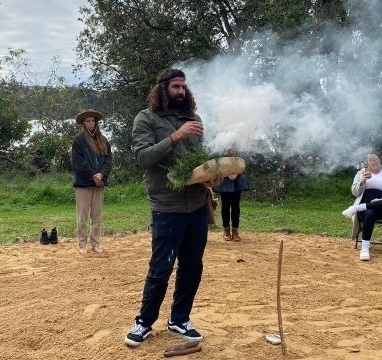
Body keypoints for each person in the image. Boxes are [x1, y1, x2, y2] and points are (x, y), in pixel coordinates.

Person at [126, 69, 217, 347]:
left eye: (183, 87)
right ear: (162, 88)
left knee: (192, 265)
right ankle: (144, 322)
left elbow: (198, 163)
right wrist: (176, 136)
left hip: (198, 205)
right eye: (175, 86)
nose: (181, 91)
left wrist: (215, 171)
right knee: (161, 267)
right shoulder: (146, 118)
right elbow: (143, 158)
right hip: (166, 206)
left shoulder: (195, 120)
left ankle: (180, 318)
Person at [342, 152, 382, 261]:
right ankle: (364, 249)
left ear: (380, 160)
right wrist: (362, 181)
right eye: (370, 160)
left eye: (374, 159)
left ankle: (355, 209)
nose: (372, 162)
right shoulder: (361, 173)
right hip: (365, 211)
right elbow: (355, 192)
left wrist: (381, 200)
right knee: (370, 212)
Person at [71, 109, 112, 255]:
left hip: (99, 183)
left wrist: (101, 175)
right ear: (83, 123)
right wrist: (93, 175)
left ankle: (95, 243)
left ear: (96, 122)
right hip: (83, 183)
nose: (91, 123)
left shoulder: (103, 140)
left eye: (93, 121)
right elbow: (78, 163)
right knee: (82, 217)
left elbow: (108, 160)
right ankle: (82, 245)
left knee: (97, 216)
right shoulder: (78, 140)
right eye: (88, 121)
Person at [214, 173, 251, 241]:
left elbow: (241, 165)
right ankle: (226, 231)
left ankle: (235, 232)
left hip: (237, 181)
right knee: (225, 206)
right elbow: (219, 165)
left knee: (235, 206)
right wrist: (227, 173)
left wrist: (235, 173)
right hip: (224, 181)